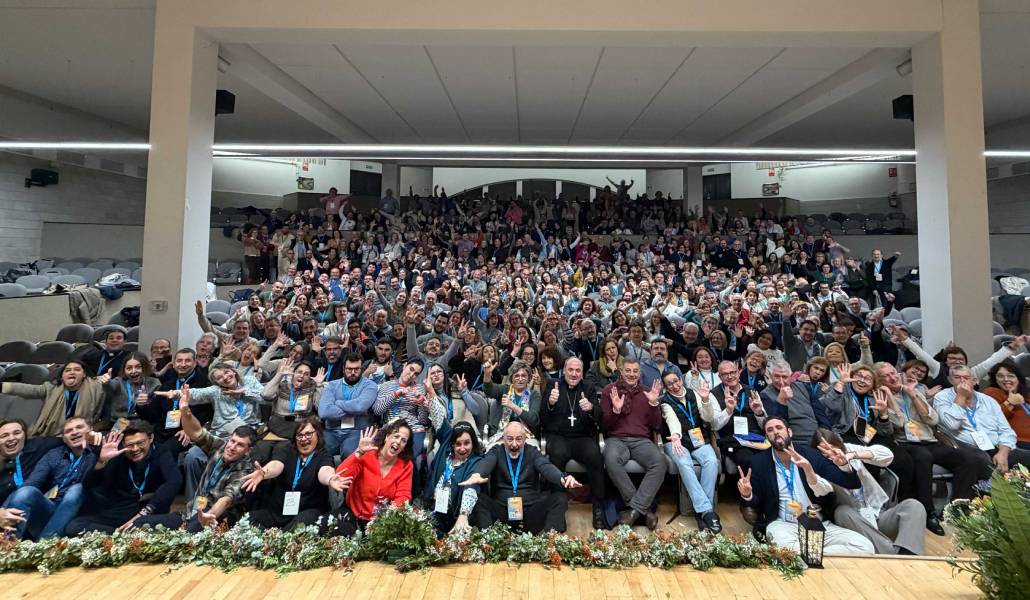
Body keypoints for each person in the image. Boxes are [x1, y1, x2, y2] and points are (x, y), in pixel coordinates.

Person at [737, 417, 874, 554]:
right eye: (770, 430)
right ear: (767, 437)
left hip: (817, 524)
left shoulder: (811, 455)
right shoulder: (759, 462)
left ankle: (807, 555)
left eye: (779, 428)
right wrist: (747, 494)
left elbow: (852, 483)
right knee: (782, 544)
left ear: (789, 432)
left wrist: (843, 464)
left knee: (865, 546)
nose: (776, 432)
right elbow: (756, 503)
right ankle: (815, 554)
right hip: (783, 526)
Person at [132, 386, 256, 533]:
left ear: (249, 450)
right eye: (232, 441)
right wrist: (185, 411)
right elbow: (196, 432)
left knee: (188, 536)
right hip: (191, 513)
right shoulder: (221, 447)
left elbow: (227, 499)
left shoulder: (246, 469)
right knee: (140, 523)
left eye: (240, 445)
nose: (232, 447)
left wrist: (208, 517)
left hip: (217, 518)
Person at [813, 429, 926, 555]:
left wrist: (853, 455)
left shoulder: (848, 449)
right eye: (825, 451)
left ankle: (908, 555)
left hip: (876, 514)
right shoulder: (818, 466)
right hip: (853, 523)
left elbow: (887, 455)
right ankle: (893, 555)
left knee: (914, 506)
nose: (831, 453)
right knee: (842, 512)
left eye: (833, 448)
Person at [64, 422, 182, 535]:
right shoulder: (116, 454)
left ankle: (125, 534)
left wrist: (145, 511)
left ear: (150, 439)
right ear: (124, 444)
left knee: (161, 522)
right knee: (74, 526)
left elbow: (174, 481)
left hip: (149, 509)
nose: (135, 449)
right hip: (120, 510)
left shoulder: (161, 452)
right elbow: (88, 485)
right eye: (130, 445)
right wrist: (101, 461)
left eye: (140, 443)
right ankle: (122, 535)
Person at [462, 421, 580, 534]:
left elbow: (545, 466)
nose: (514, 444)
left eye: (519, 439)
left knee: (560, 499)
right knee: (479, 500)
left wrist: (562, 477)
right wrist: (477, 474)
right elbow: (487, 462)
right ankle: (489, 544)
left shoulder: (532, 452)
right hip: (501, 514)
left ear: (525, 439)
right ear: (503, 438)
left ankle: (547, 543)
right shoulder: (497, 451)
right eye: (510, 439)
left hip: (531, 512)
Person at [241, 417, 349, 530]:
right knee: (248, 520)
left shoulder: (323, 454)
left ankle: (279, 540)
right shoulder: (287, 450)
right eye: (300, 435)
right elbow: (276, 465)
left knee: (306, 520)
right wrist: (264, 472)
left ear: (317, 435)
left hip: (306, 511)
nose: (303, 439)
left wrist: (330, 479)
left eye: (308, 434)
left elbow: (325, 470)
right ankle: (274, 539)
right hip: (278, 511)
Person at [1, 417, 99, 539]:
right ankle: (9, 544)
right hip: (52, 509)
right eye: (68, 431)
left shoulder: (100, 450)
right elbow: (31, 483)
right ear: (63, 439)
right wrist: (2, 511)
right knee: (26, 491)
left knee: (77, 489)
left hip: (82, 510)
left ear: (91, 430)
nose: (74, 432)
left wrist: (99, 442)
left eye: (79, 427)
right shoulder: (54, 454)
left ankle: (45, 547)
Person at [540, 357, 607, 529]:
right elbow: (542, 417)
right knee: (556, 455)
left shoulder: (589, 387)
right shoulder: (553, 385)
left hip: (581, 437)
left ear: (582, 373)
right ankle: (557, 510)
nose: (574, 374)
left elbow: (600, 416)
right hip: (558, 436)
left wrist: (591, 408)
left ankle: (598, 507)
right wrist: (550, 403)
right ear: (564, 370)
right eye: (571, 370)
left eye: (578, 371)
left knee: (595, 455)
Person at [599, 359, 666, 529]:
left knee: (660, 462)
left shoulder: (647, 392)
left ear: (639, 373)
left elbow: (657, 426)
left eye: (635, 371)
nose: (631, 374)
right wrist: (616, 410)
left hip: (641, 440)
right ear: (621, 371)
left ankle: (634, 511)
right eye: (627, 370)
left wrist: (653, 404)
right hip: (616, 439)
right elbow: (604, 426)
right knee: (611, 459)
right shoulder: (610, 391)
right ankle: (644, 511)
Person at [933, 365, 1030, 472]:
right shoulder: (942, 397)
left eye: (966, 377)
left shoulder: (988, 401)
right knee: (981, 460)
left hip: (996, 447)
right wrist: (961, 396)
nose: (962, 381)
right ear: (950, 380)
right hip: (965, 447)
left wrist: (1002, 453)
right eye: (957, 377)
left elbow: (1006, 431)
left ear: (974, 381)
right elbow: (952, 424)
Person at [325, 422, 414, 536]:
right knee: (333, 527)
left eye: (403, 440)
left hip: (383, 519)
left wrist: (387, 519)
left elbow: (403, 495)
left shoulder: (406, 465)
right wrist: (359, 452)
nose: (398, 441)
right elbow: (341, 476)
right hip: (353, 514)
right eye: (396, 436)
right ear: (387, 437)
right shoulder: (367, 454)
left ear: (404, 447)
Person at [658, 371, 721, 532]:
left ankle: (703, 511)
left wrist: (706, 400)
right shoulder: (665, 401)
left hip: (699, 439)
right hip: (676, 441)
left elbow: (707, 418)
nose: (675, 385)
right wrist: (676, 435)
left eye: (676, 381)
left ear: (681, 380)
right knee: (685, 464)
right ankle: (707, 511)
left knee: (712, 461)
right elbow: (671, 419)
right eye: (670, 383)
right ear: (665, 387)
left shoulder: (694, 393)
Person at [422, 394, 483, 537]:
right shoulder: (445, 449)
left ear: (473, 443)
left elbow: (471, 489)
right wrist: (430, 392)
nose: (462, 448)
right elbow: (439, 419)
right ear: (452, 443)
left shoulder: (476, 462)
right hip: (434, 510)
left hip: (458, 517)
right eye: (458, 444)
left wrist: (463, 514)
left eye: (466, 443)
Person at [1, 359, 110, 437]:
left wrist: (110, 383)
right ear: (62, 376)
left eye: (77, 370)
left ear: (84, 374)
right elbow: (30, 389)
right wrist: (2, 386)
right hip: (52, 433)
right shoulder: (52, 388)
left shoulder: (96, 388)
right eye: (67, 370)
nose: (72, 372)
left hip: (81, 433)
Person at [320, 353, 379, 459]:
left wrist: (337, 403)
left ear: (361, 369)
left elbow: (359, 407)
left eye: (356, 369)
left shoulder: (370, 385)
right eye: (349, 369)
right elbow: (324, 412)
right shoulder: (331, 385)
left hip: (357, 431)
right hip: (332, 430)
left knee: (350, 453)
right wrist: (356, 411)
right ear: (343, 369)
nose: (353, 372)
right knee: (319, 451)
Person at [0, 419, 63, 505]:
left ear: (25, 435)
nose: (11, 438)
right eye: (4, 436)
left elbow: (67, 440)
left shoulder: (39, 446)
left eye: (17, 433)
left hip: (40, 506)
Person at [102, 352, 161, 426]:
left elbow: (156, 409)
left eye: (138, 367)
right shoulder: (119, 381)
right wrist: (106, 382)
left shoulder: (154, 383)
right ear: (124, 370)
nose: (133, 371)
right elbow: (110, 387)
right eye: (129, 368)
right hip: (120, 423)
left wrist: (145, 404)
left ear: (145, 367)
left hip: (144, 423)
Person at [983, 360, 1030, 450]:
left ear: (1018, 379)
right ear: (995, 379)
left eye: (1010, 376)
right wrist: (1009, 402)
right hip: (1017, 442)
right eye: (1000, 376)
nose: (1006, 379)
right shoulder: (992, 392)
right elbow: (991, 420)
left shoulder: (1026, 396)